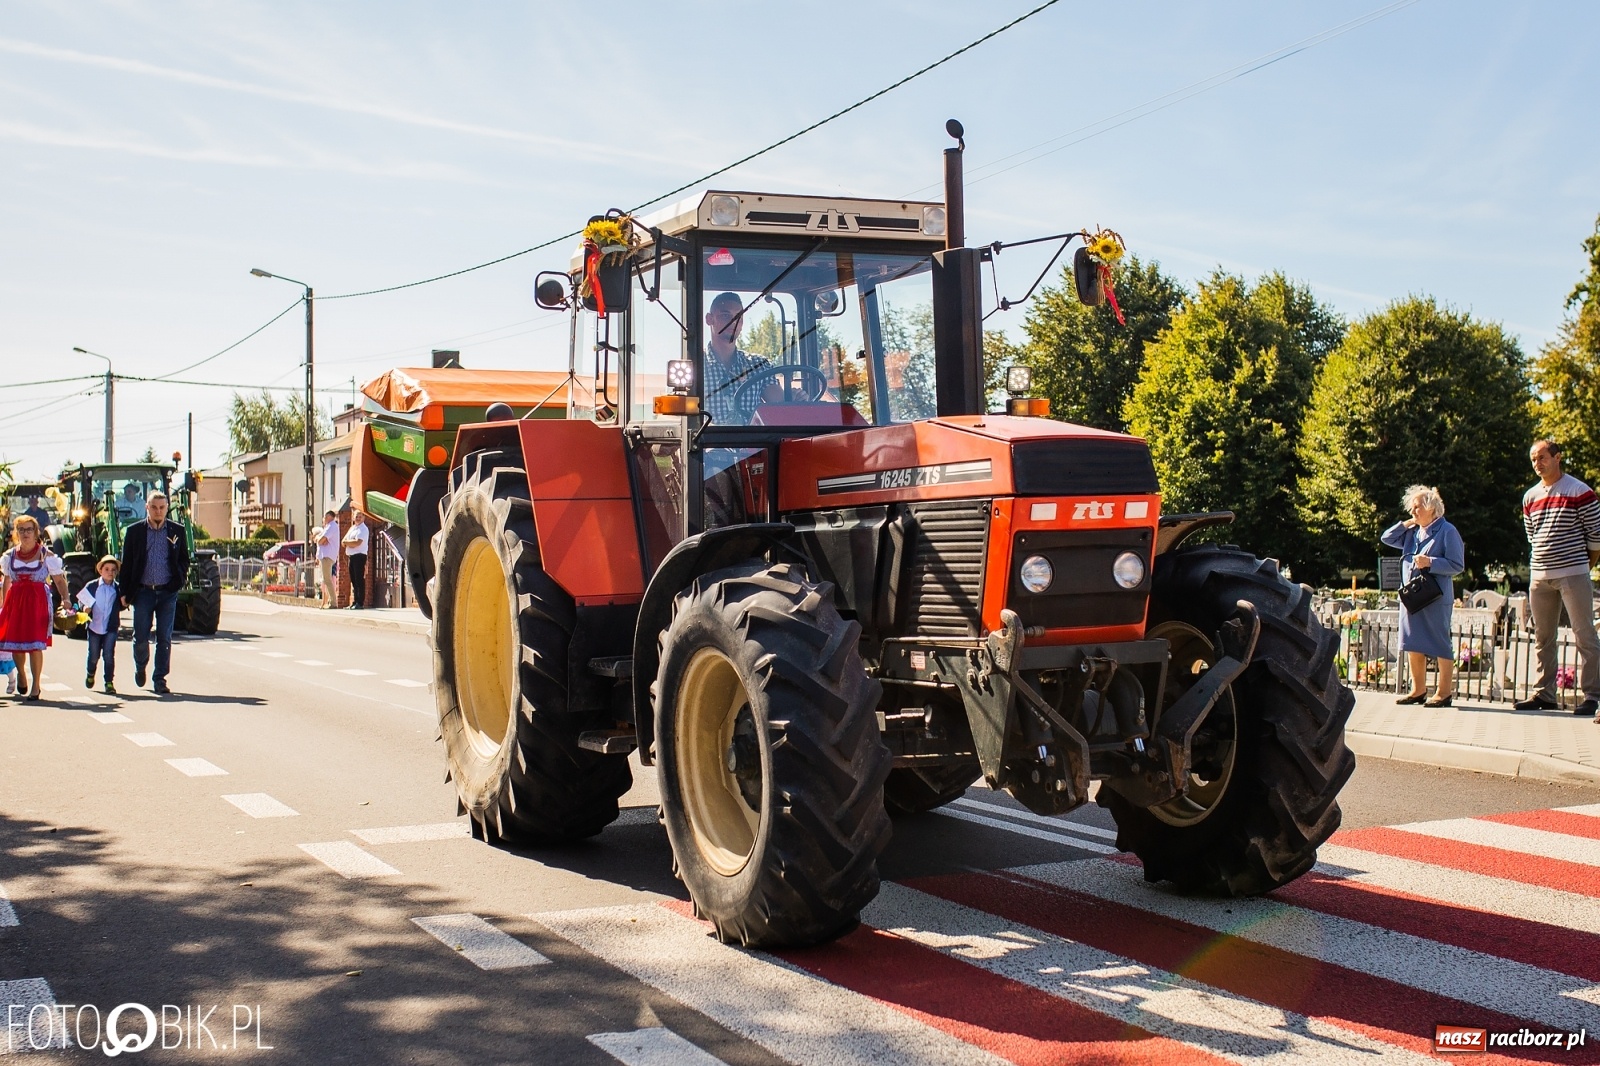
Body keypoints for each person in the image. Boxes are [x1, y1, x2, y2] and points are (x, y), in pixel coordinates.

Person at [1514, 439, 1600, 717]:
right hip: (1540, 576)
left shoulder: (1580, 491)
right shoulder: (1530, 497)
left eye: (1542, 458)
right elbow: (1532, 536)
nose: (1537, 464)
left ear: (1557, 457)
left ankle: (1592, 696)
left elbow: (1596, 537)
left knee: (1584, 635)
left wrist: (1582, 567)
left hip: (1573, 573)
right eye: (1533, 460)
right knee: (1543, 637)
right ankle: (1544, 693)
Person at [1381, 485, 1465, 708]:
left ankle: (1444, 692)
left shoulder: (1447, 531)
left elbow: (1457, 565)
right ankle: (1418, 690)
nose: (1413, 511)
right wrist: (1407, 523)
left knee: (1440, 643)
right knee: (1412, 642)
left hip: (1435, 597)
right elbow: (1386, 537)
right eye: (1412, 508)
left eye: (1417, 507)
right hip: (1412, 596)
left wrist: (1431, 563)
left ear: (1432, 509)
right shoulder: (1412, 531)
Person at [119, 491, 189, 696]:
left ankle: (160, 678)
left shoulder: (177, 530)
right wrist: (124, 592)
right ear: (147, 508)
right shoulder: (134, 532)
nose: (158, 511)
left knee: (164, 638)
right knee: (140, 636)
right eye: (154, 507)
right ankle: (141, 665)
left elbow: (183, 559)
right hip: (143, 592)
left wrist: (179, 580)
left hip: (167, 592)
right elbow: (127, 564)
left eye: (162, 507)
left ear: (167, 508)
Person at [0, 515, 71, 700]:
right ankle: (22, 675)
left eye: (29, 529)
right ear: (16, 532)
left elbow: (59, 580)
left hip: (37, 602)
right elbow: (7, 581)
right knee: (15, 645)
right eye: (21, 530)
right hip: (15, 603)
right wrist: (3, 605)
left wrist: (66, 599)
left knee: (35, 645)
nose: (25, 533)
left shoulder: (46, 555)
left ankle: (36, 686)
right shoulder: (10, 557)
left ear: (36, 532)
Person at [702, 292, 775, 426]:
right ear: (709, 319)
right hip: (709, 443)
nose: (733, 322)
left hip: (754, 444)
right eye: (725, 316)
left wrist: (795, 397)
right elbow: (681, 415)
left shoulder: (759, 365)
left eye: (738, 317)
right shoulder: (695, 367)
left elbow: (779, 406)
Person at [77, 555, 123, 694]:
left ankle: (109, 682)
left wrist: (126, 602)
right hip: (94, 627)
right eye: (107, 569)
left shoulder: (117, 589)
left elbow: (122, 603)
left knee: (109, 655)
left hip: (110, 627)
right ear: (100, 570)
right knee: (94, 655)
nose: (110, 572)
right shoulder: (92, 586)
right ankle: (90, 673)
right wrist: (85, 608)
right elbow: (82, 600)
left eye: (113, 570)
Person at [314, 510, 340, 609]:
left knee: (327, 580)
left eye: (325, 517)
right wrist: (320, 540)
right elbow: (320, 540)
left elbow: (321, 540)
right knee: (326, 579)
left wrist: (319, 540)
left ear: (329, 517)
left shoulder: (331, 526)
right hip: (325, 556)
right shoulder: (328, 527)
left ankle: (333, 602)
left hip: (327, 556)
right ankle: (330, 601)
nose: (324, 519)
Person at [342, 512, 369, 609]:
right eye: (356, 516)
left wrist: (347, 542)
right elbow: (343, 541)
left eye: (360, 516)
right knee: (353, 580)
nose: (358, 518)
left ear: (364, 518)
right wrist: (348, 542)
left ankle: (360, 602)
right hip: (351, 556)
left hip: (359, 556)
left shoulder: (363, 529)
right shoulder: (352, 528)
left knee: (359, 580)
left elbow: (357, 542)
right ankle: (355, 601)